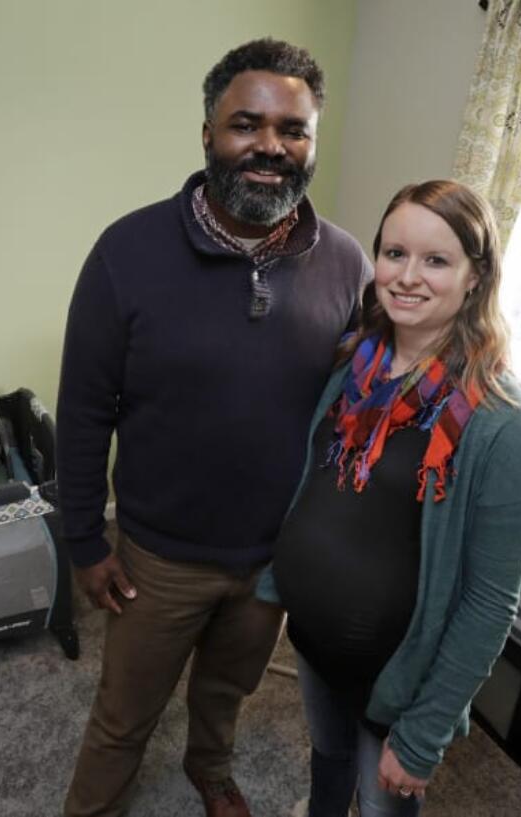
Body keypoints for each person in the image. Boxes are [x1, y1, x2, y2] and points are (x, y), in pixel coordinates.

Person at [57, 38, 372, 817]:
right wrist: (84, 541)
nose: (270, 146)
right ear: (208, 135)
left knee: (227, 688)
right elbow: (84, 406)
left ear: (311, 143)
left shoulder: (346, 262)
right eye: (247, 124)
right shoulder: (126, 251)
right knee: (124, 714)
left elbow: (353, 403)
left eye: (292, 130)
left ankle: (211, 768)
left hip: (272, 556)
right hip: (158, 557)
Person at [260, 180, 521, 817]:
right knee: (327, 757)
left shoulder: (500, 421)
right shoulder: (355, 362)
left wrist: (422, 738)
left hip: (395, 675)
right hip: (313, 639)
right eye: (394, 254)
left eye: (436, 260)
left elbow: (490, 603)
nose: (407, 276)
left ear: (476, 276)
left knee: (384, 801)